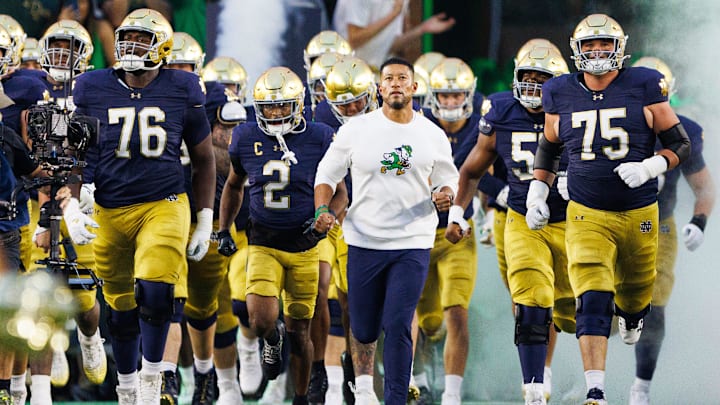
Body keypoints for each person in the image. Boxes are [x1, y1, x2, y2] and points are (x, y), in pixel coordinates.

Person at [525, 14, 691, 404]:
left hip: (639, 212)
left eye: (604, 44)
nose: (597, 52)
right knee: (592, 296)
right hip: (586, 212)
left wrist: (651, 165)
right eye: (590, 45)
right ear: (577, 49)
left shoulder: (644, 83)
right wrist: (537, 190)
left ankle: (632, 314)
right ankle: (595, 390)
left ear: (619, 47)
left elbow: (679, 143)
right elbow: (549, 145)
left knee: (634, 297)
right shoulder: (560, 91)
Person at [72, 8, 216, 404]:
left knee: (156, 289)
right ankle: (128, 387)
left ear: (163, 46)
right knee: (119, 306)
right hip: (109, 207)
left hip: (164, 204)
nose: (131, 46)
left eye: (142, 39)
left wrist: (204, 218)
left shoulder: (183, 86)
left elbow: (204, 158)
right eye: (127, 38)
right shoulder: (91, 86)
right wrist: (74, 199)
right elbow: (76, 152)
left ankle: (153, 381)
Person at [314, 57, 459, 405]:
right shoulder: (355, 130)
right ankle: (360, 386)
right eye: (389, 78)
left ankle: (395, 398)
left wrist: (446, 196)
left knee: (397, 323)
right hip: (364, 239)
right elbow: (326, 174)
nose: (395, 83)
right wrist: (322, 208)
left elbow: (449, 177)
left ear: (413, 87)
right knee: (363, 328)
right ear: (379, 89)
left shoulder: (431, 133)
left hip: (412, 241)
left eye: (402, 78)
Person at [445, 47, 575, 405]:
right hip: (516, 215)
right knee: (529, 299)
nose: (533, 87)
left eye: (542, 80)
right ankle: (536, 381)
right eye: (527, 78)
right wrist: (474, 205)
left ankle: (571, 375)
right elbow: (468, 168)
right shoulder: (501, 111)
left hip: (571, 218)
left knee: (574, 307)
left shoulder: (575, 110)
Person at [216, 66, 343, 405]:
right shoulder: (245, 136)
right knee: (259, 319)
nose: (274, 113)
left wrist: (328, 215)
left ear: (298, 104)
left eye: (281, 106)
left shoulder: (319, 136)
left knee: (301, 335)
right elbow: (233, 185)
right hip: (264, 244)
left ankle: (300, 397)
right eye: (268, 107)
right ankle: (272, 338)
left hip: (305, 247)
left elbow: (341, 190)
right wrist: (223, 228)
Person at [626, 56, 715, 405]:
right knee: (593, 298)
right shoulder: (609, 120)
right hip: (605, 221)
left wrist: (700, 221)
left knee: (655, 304)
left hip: (656, 224)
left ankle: (640, 389)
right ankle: (591, 382)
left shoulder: (686, 131)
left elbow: (704, 187)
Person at [408, 57, 479, 405]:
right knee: (423, 319)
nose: (450, 102)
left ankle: (452, 393)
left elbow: (491, 169)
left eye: (457, 95)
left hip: (458, 235)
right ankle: (418, 380)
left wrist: (477, 200)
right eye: (444, 96)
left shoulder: (484, 125)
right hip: (418, 234)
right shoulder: (415, 128)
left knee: (456, 312)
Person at [332, 0, 455, 70]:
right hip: (348, 72)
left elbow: (389, 46)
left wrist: (422, 29)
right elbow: (353, 40)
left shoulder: (402, 2)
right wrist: (393, 14)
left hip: (377, 75)